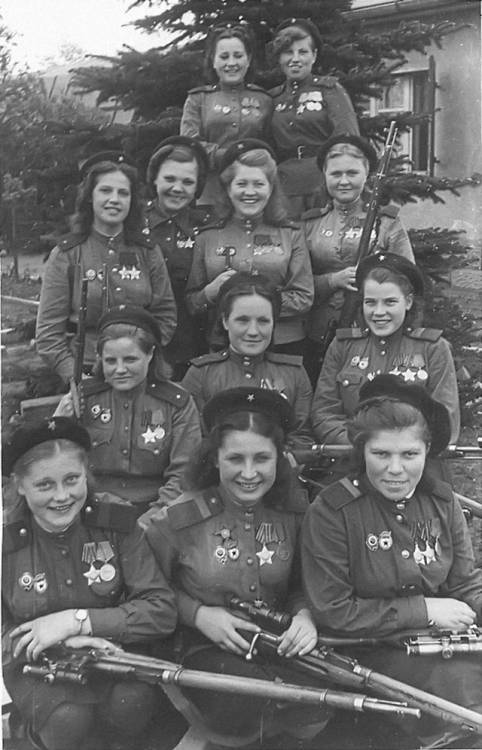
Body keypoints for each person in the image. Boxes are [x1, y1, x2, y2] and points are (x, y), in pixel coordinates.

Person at [141, 387, 331, 745]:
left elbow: (303, 584)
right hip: (198, 646)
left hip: (274, 643)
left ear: (280, 458)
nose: (249, 473)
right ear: (214, 459)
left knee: (314, 703)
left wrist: (304, 615)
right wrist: (198, 615)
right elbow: (148, 590)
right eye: (235, 459)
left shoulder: (294, 513)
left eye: (261, 458)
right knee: (247, 704)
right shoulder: (177, 520)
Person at [302, 374, 482, 748]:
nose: (396, 469)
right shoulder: (333, 511)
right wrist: (424, 610)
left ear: (427, 452)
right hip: (368, 650)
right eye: (381, 454)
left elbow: (465, 582)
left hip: (440, 643)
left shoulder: (441, 500)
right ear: (361, 451)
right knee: (464, 689)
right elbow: (334, 611)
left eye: (410, 455)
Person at [2, 416, 177, 750]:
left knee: (133, 701)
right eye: (44, 485)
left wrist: (78, 623)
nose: (62, 496)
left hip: (113, 653)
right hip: (39, 666)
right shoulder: (6, 544)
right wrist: (66, 643)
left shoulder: (117, 524)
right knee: (68, 719)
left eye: (72, 480)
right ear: (19, 485)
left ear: (87, 475)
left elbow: (161, 609)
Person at [36, 154, 177, 386]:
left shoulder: (148, 251)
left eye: (123, 193)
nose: (115, 199)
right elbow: (48, 335)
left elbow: (166, 316)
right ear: (90, 197)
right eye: (105, 191)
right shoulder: (67, 254)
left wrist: (142, 360)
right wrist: (76, 377)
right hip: (87, 373)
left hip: (142, 373)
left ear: (132, 200)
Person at [54, 305, 201, 511]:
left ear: (150, 354)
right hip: (92, 506)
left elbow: (184, 472)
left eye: (130, 359)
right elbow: (59, 463)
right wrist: (59, 421)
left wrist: (155, 517)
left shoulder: (176, 403)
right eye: (111, 361)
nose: (120, 369)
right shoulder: (84, 398)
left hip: (157, 509)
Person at [312, 252, 460, 450]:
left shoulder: (433, 348)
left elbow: (445, 420)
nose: (379, 312)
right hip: (352, 456)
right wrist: (362, 445)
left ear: (407, 302)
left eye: (390, 302)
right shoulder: (342, 346)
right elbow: (324, 413)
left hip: (414, 462)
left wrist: (395, 448)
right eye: (370, 302)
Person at [303, 134, 415, 384]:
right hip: (319, 333)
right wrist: (332, 280)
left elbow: (409, 279)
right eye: (335, 174)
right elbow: (297, 283)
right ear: (324, 175)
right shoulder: (309, 224)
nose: (344, 181)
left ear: (367, 175)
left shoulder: (386, 222)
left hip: (374, 329)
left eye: (352, 173)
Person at [185, 138, 314, 356]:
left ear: (271, 189)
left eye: (259, 184)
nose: (250, 192)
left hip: (283, 345)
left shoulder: (291, 234)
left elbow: (304, 297)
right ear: (228, 188)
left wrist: (259, 303)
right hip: (223, 346)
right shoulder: (207, 237)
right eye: (242, 184)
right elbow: (192, 302)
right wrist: (209, 292)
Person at [182, 271, 314, 450]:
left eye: (263, 321)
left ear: (274, 322)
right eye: (242, 320)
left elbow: (301, 438)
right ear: (225, 321)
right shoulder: (201, 374)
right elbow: (193, 441)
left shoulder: (294, 373)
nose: (253, 331)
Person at [269, 18, 359, 219]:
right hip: (284, 186)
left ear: (314, 55)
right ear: (279, 58)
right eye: (288, 52)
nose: (295, 59)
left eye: (303, 52)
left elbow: (347, 138)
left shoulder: (330, 90)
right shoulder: (272, 98)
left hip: (322, 182)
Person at [145, 136, 215, 379]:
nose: (177, 188)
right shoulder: (132, 225)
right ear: (154, 178)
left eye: (187, 182)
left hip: (195, 342)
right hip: (143, 342)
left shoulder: (208, 227)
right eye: (169, 179)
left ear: (198, 186)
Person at [180, 23, 272, 204]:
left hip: (253, 190)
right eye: (224, 56)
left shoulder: (264, 100)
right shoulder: (198, 99)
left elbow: (271, 146)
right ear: (213, 61)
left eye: (238, 56)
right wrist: (229, 155)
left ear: (249, 59)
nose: (231, 63)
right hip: (211, 191)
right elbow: (190, 145)